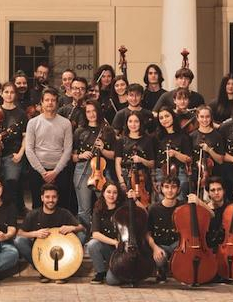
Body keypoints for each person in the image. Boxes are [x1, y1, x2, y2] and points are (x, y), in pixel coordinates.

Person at [14, 183, 85, 283]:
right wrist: (35, 233)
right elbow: (19, 233)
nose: (51, 200)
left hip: (63, 251)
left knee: (81, 235)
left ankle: (64, 271)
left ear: (57, 198)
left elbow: (81, 227)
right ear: (42, 198)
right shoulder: (33, 214)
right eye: (47, 197)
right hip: (41, 253)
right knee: (19, 241)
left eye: (54, 197)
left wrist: (72, 227)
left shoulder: (64, 213)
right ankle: (43, 270)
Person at [25, 88, 73, 209]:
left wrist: (56, 171)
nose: (50, 103)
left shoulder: (66, 123)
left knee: (61, 206)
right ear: (41, 102)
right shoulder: (32, 122)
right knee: (37, 205)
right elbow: (29, 149)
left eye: (53, 100)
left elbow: (68, 150)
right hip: (38, 171)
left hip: (60, 171)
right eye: (47, 100)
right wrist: (42, 172)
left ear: (57, 103)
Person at [72, 100, 115, 229]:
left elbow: (113, 155)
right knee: (83, 208)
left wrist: (102, 149)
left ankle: (102, 232)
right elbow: (71, 157)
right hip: (82, 169)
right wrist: (80, 156)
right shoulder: (79, 131)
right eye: (88, 111)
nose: (91, 114)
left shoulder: (107, 130)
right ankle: (84, 236)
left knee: (105, 204)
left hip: (101, 170)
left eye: (94, 111)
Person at [0, 82, 28, 212]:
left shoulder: (21, 114)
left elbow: (25, 136)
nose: (9, 95)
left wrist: (20, 153)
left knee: (11, 185)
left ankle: (11, 216)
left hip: (13, 154)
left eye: (12, 92)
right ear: (1, 93)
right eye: (6, 92)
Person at [146, 175, 182, 283]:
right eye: (166, 187)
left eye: (173, 187)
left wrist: (198, 201)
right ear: (161, 188)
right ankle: (162, 270)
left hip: (179, 244)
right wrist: (155, 248)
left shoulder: (184, 207)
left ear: (179, 189)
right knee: (160, 258)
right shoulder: (153, 208)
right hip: (161, 245)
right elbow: (147, 233)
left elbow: (210, 215)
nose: (170, 190)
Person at [87, 182, 123, 285]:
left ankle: (112, 270)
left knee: (112, 281)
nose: (111, 195)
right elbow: (95, 234)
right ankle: (100, 272)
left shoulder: (122, 208)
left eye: (115, 192)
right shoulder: (98, 210)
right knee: (92, 244)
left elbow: (141, 211)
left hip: (121, 253)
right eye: (109, 192)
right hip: (108, 249)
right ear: (103, 193)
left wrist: (134, 199)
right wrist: (114, 242)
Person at [115, 111, 156, 201]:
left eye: (136, 121)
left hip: (142, 178)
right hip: (125, 175)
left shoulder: (148, 140)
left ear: (140, 123)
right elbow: (117, 163)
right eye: (130, 121)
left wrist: (141, 160)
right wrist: (122, 182)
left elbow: (152, 163)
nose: (133, 124)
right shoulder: (121, 140)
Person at [154, 108, 193, 203]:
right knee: (162, 201)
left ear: (173, 117)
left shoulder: (183, 136)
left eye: (167, 116)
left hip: (180, 172)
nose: (164, 119)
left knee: (180, 199)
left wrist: (176, 154)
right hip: (161, 173)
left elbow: (188, 159)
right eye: (161, 118)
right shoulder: (156, 137)